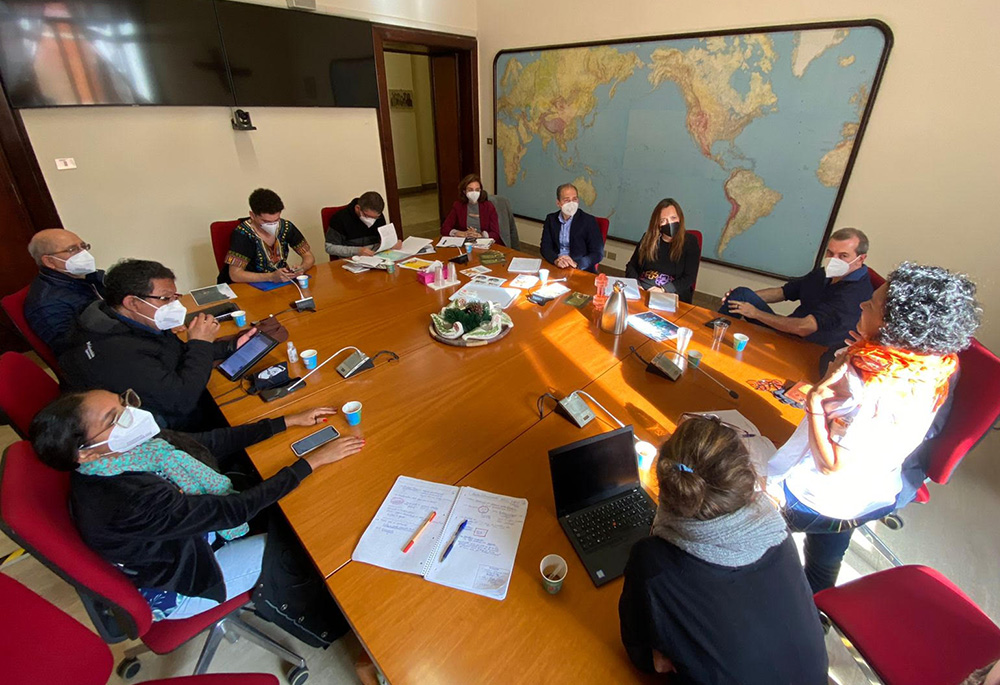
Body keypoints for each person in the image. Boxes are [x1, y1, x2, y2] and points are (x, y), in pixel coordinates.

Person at [29, 388, 364, 626]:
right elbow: (231, 512)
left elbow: (205, 442)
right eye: (116, 416)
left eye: (123, 401)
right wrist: (311, 463)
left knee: (286, 506)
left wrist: (286, 421)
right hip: (184, 579)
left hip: (182, 538)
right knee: (305, 541)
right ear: (85, 452)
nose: (133, 414)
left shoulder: (129, 450)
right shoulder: (129, 500)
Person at [767, 262, 981, 593]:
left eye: (873, 304)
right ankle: (820, 600)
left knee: (735, 516)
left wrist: (815, 403)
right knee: (825, 560)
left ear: (894, 326)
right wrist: (849, 359)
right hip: (875, 487)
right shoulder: (933, 366)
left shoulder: (880, 388)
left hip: (825, 495)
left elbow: (832, 467)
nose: (863, 304)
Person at [619, 415, 828, 684]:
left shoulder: (652, 561)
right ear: (746, 478)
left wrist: (661, 656)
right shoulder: (776, 529)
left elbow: (643, 658)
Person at [60, 259, 256, 431]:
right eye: (165, 298)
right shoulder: (116, 351)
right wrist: (201, 343)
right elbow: (182, 401)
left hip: (169, 396)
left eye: (174, 296)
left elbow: (174, 353)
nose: (174, 304)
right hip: (162, 429)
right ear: (132, 302)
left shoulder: (125, 319)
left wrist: (230, 347)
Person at [721, 227, 873, 354]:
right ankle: (711, 335)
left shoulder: (855, 293)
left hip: (810, 348)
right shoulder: (824, 273)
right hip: (788, 332)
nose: (834, 260)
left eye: (843, 256)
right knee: (741, 294)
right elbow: (784, 292)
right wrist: (744, 302)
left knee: (747, 304)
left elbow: (803, 328)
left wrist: (755, 313)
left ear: (860, 259)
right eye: (830, 253)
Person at [23, 228, 106, 355]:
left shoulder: (80, 276)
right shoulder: (47, 304)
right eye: (72, 250)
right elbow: (73, 347)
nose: (83, 253)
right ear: (49, 261)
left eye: (83, 246)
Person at [220, 188, 315, 284]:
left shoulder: (285, 227)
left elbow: (308, 256)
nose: (273, 225)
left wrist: (302, 268)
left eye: (276, 220)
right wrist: (271, 277)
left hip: (280, 283)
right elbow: (235, 275)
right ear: (252, 215)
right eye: (266, 221)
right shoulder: (243, 234)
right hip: (249, 287)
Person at [624, 198, 701, 304]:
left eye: (673, 218)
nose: (669, 223)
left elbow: (689, 278)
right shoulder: (648, 238)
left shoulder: (690, 242)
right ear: (657, 223)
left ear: (680, 218)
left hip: (670, 293)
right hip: (642, 290)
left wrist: (663, 290)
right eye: (663, 220)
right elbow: (631, 265)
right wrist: (636, 285)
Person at [539, 183, 603, 273]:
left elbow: (597, 254)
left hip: (578, 268)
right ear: (558, 203)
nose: (571, 204)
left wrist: (577, 263)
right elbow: (545, 247)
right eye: (566, 200)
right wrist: (556, 260)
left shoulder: (588, 221)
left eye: (574, 199)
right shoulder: (551, 219)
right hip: (556, 265)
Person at [325, 191, 399, 259]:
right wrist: (357, 251)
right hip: (352, 260)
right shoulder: (339, 218)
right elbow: (329, 247)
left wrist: (391, 243)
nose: (372, 221)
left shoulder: (379, 217)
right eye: (368, 216)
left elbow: (382, 239)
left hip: (376, 257)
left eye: (375, 217)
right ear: (358, 208)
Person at [440, 173, 503, 245]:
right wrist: (459, 233)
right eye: (470, 190)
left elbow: (495, 233)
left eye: (477, 190)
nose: (474, 193)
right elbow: (444, 228)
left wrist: (481, 235)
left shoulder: (488, 206)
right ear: (464, 191)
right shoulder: (458, 206)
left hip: (484, 244)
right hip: (465, 243)